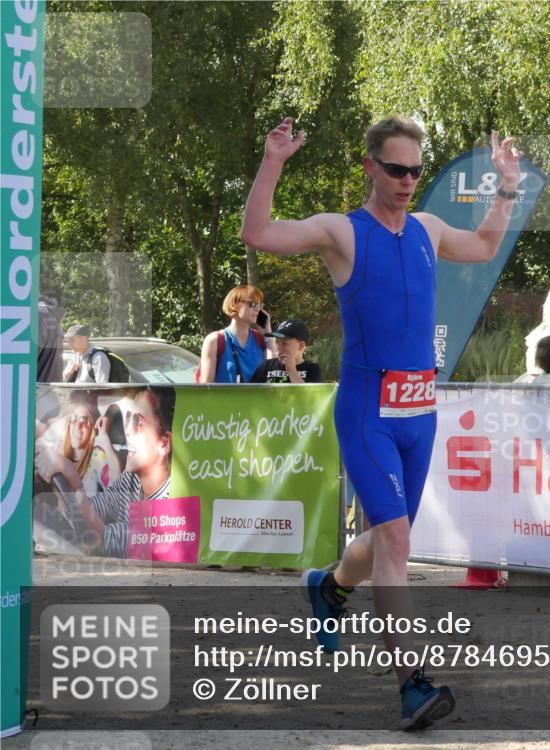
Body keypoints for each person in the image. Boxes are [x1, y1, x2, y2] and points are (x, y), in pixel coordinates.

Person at [240, 115, 521, 730]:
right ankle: (413, 686)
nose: (407, 181)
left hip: (420, 414)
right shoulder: (343, 233)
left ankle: (329, 587)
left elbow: (484, 246)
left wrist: (505, 188)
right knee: (396, 542)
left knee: (386, 541)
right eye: (396, 169)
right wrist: (273, 162)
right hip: (368, 412)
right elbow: (256, 232)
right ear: (371, 167)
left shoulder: (427, 228)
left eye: (416, 171)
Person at [70, 387, 175, 558]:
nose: (127, 430)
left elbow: (104, 541)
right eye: (128, 419)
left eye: (138, 422)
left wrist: (72, 482)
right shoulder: (131, 479)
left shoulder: (171, 500)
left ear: (164, 443)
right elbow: (92, 509)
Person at [35, 394, 120, 496]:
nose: (78, 425)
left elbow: (117, 484)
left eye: (84, 421)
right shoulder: (56, 449)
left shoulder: (97, 457)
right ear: (69, 425)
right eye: (73, 419)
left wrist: (104, 437)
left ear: (92, 429)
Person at [197, 284, 272, 383]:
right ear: (234, 305)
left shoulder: (260, 339)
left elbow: (273, 376)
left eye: (260, 305)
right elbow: (206, 388)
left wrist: (268, 332)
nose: (257, 309)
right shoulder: (215, 340)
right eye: (252, 304)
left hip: (258, 398)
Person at [250, 318, 323, 383]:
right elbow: (249, 393)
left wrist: (292, 371)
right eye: (277, 342)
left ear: (301, 346)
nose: (278, 347)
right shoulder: (266, 366)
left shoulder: (313, 370)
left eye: (284, 344)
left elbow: (309, 397)